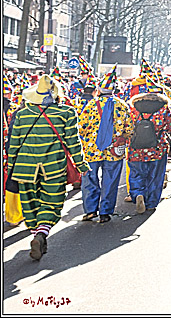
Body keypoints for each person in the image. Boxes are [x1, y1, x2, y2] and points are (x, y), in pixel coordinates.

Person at [6, 76, 89, 260]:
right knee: (52, 202)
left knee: (30, 204)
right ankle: (41, 233)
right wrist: (81, 164)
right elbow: (73, 142)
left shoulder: (22, 114)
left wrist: (11, 167)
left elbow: (14, 144)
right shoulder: (66, 112)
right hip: (53, 168)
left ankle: (36, 233)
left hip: (24, 168)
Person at [77, 76, 131, 223]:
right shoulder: (122, 105)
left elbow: (81, 127)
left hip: (92, 149)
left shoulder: (90, 105)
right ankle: (105, 212)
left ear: (99, 90)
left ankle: (90, 210)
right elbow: (129, 129)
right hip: (114, 150)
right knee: (111, 180)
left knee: (89, 178)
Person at [126, 84, 171, 214]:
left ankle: (138, 194)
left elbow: (127, 126)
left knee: (136, 173)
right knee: (155, 176)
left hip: (136, 149)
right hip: (157, 149)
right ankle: (151, 203)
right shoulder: (164, 108)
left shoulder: (133, 107)